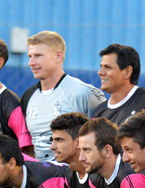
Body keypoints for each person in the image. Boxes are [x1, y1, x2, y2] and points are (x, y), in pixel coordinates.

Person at [21, 30, 105, 162]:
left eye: (38, 56)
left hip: (73, 177)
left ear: (58, 56)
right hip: (39, 178)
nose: (31, 62)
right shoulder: (28, 96)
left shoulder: (82, 93)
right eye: (30, 56)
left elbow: (106, 135)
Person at [93, 44, 145, 126]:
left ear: (127, 72)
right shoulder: (100, 111)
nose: (100, 72)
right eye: (101, 67)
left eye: (108, 67)